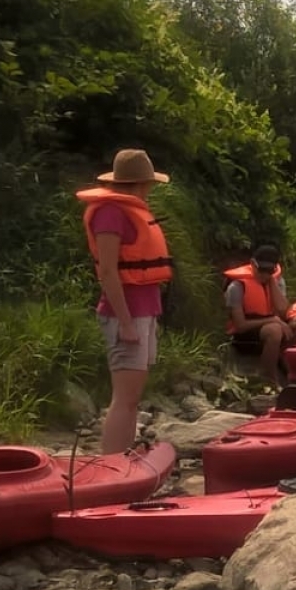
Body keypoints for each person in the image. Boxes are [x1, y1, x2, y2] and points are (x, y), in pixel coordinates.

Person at [77, 149, 173, 453]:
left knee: (132, 398)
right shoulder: (110, 212)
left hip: (143, 310)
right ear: (141, 183)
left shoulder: (129, 210)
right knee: (125, 397)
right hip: (124, 315)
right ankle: (113, 463)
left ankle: (123, 458)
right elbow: (107, 271)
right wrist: (127, 323)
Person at [224, 244, 296, 385]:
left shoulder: (276, 281)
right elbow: (240, 326)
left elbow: (282, 309)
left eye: (269, 270)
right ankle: (268, 379)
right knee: (274, 329)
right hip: (247, 335)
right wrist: (272, 320)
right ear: (253, 264)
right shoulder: (236, 287)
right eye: (262, 269)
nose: (265, 274)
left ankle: (278, 353)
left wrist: (272, 281)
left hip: (273, 326)